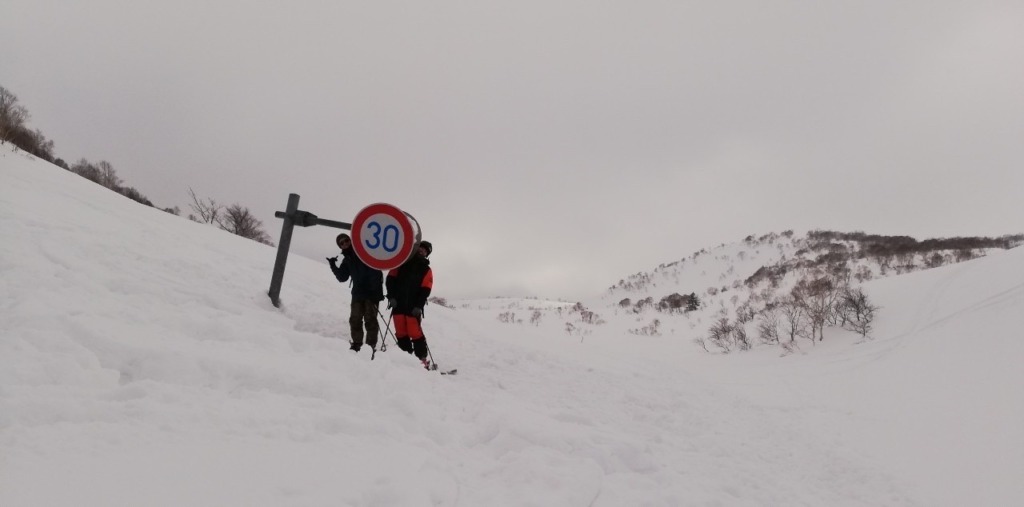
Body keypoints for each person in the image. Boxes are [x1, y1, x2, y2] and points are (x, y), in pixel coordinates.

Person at [327, 233, 384, 352]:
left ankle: (370, 347)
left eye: (346, 240)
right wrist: (333, 265)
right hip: (358, 293)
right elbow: (342, 277)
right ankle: (357, 344)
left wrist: (372, 288)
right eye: (341, 243)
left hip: (371, 293)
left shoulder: (364, 251)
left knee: (370, 319)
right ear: (340, 247)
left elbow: (376, 270)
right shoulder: (347, 259)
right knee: (355, 319)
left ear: (351, 240)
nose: (344, 243)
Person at [385, 240, 434, 368]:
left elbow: (426, 289)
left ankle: (421, 360)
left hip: (413, 307)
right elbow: (390, 279)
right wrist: (391, 297)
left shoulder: (426, 269)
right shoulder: (402, 262)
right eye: (421, 248)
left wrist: (419, 306)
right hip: (398, 305)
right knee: (401, 333)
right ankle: (405, 359)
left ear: (427, 254)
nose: (422, 250)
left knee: (415, 333)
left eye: (425, 250)